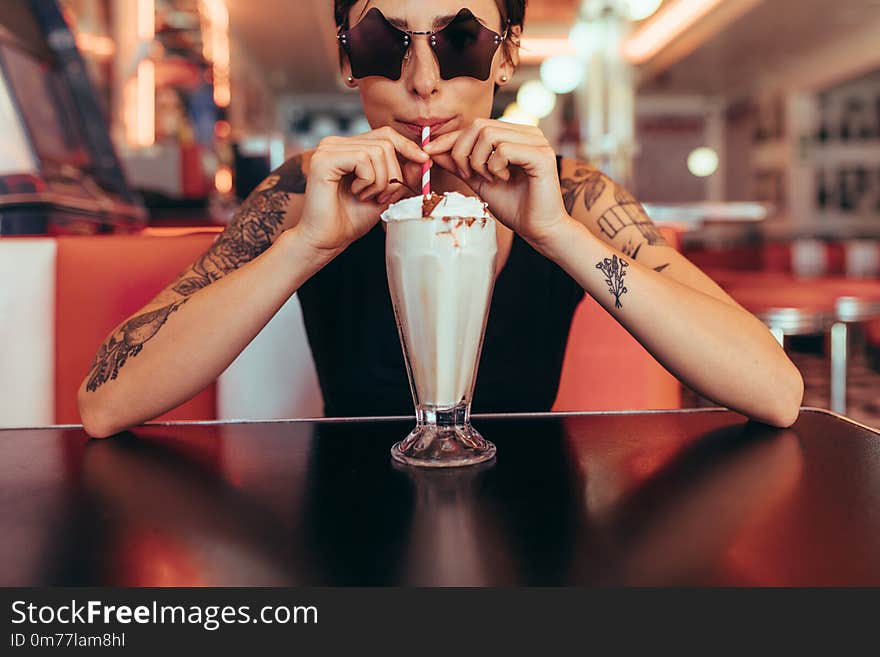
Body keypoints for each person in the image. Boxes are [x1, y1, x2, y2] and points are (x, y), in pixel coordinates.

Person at [78, 0, 803, 438]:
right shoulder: (304, 193)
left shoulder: (572, 193)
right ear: (345, 60)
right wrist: (304, 247)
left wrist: (557, 236)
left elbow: (774, 389)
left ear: (507, 54)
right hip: (350, 535)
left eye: (459, 42)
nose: (423, 82)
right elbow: (107, 403)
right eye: (381, 43)